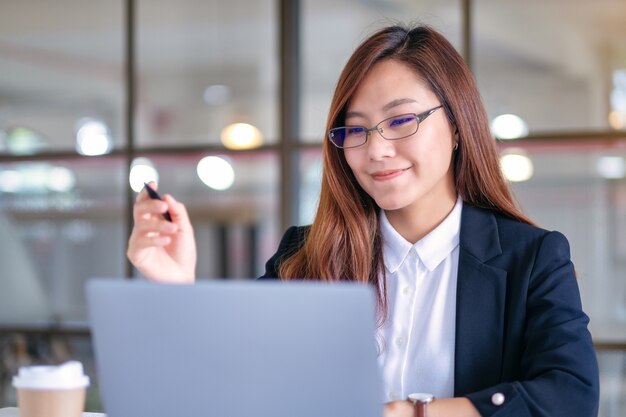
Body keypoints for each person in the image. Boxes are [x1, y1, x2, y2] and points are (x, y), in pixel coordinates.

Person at [127, 24, 600, 417]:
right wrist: (177, 287)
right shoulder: (305, 256)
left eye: (401, 121)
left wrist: (414, 412)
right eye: (355, 129)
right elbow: (227, 377)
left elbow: (571, 396)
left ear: (457, 126)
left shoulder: (531, 257)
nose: (375, 149)